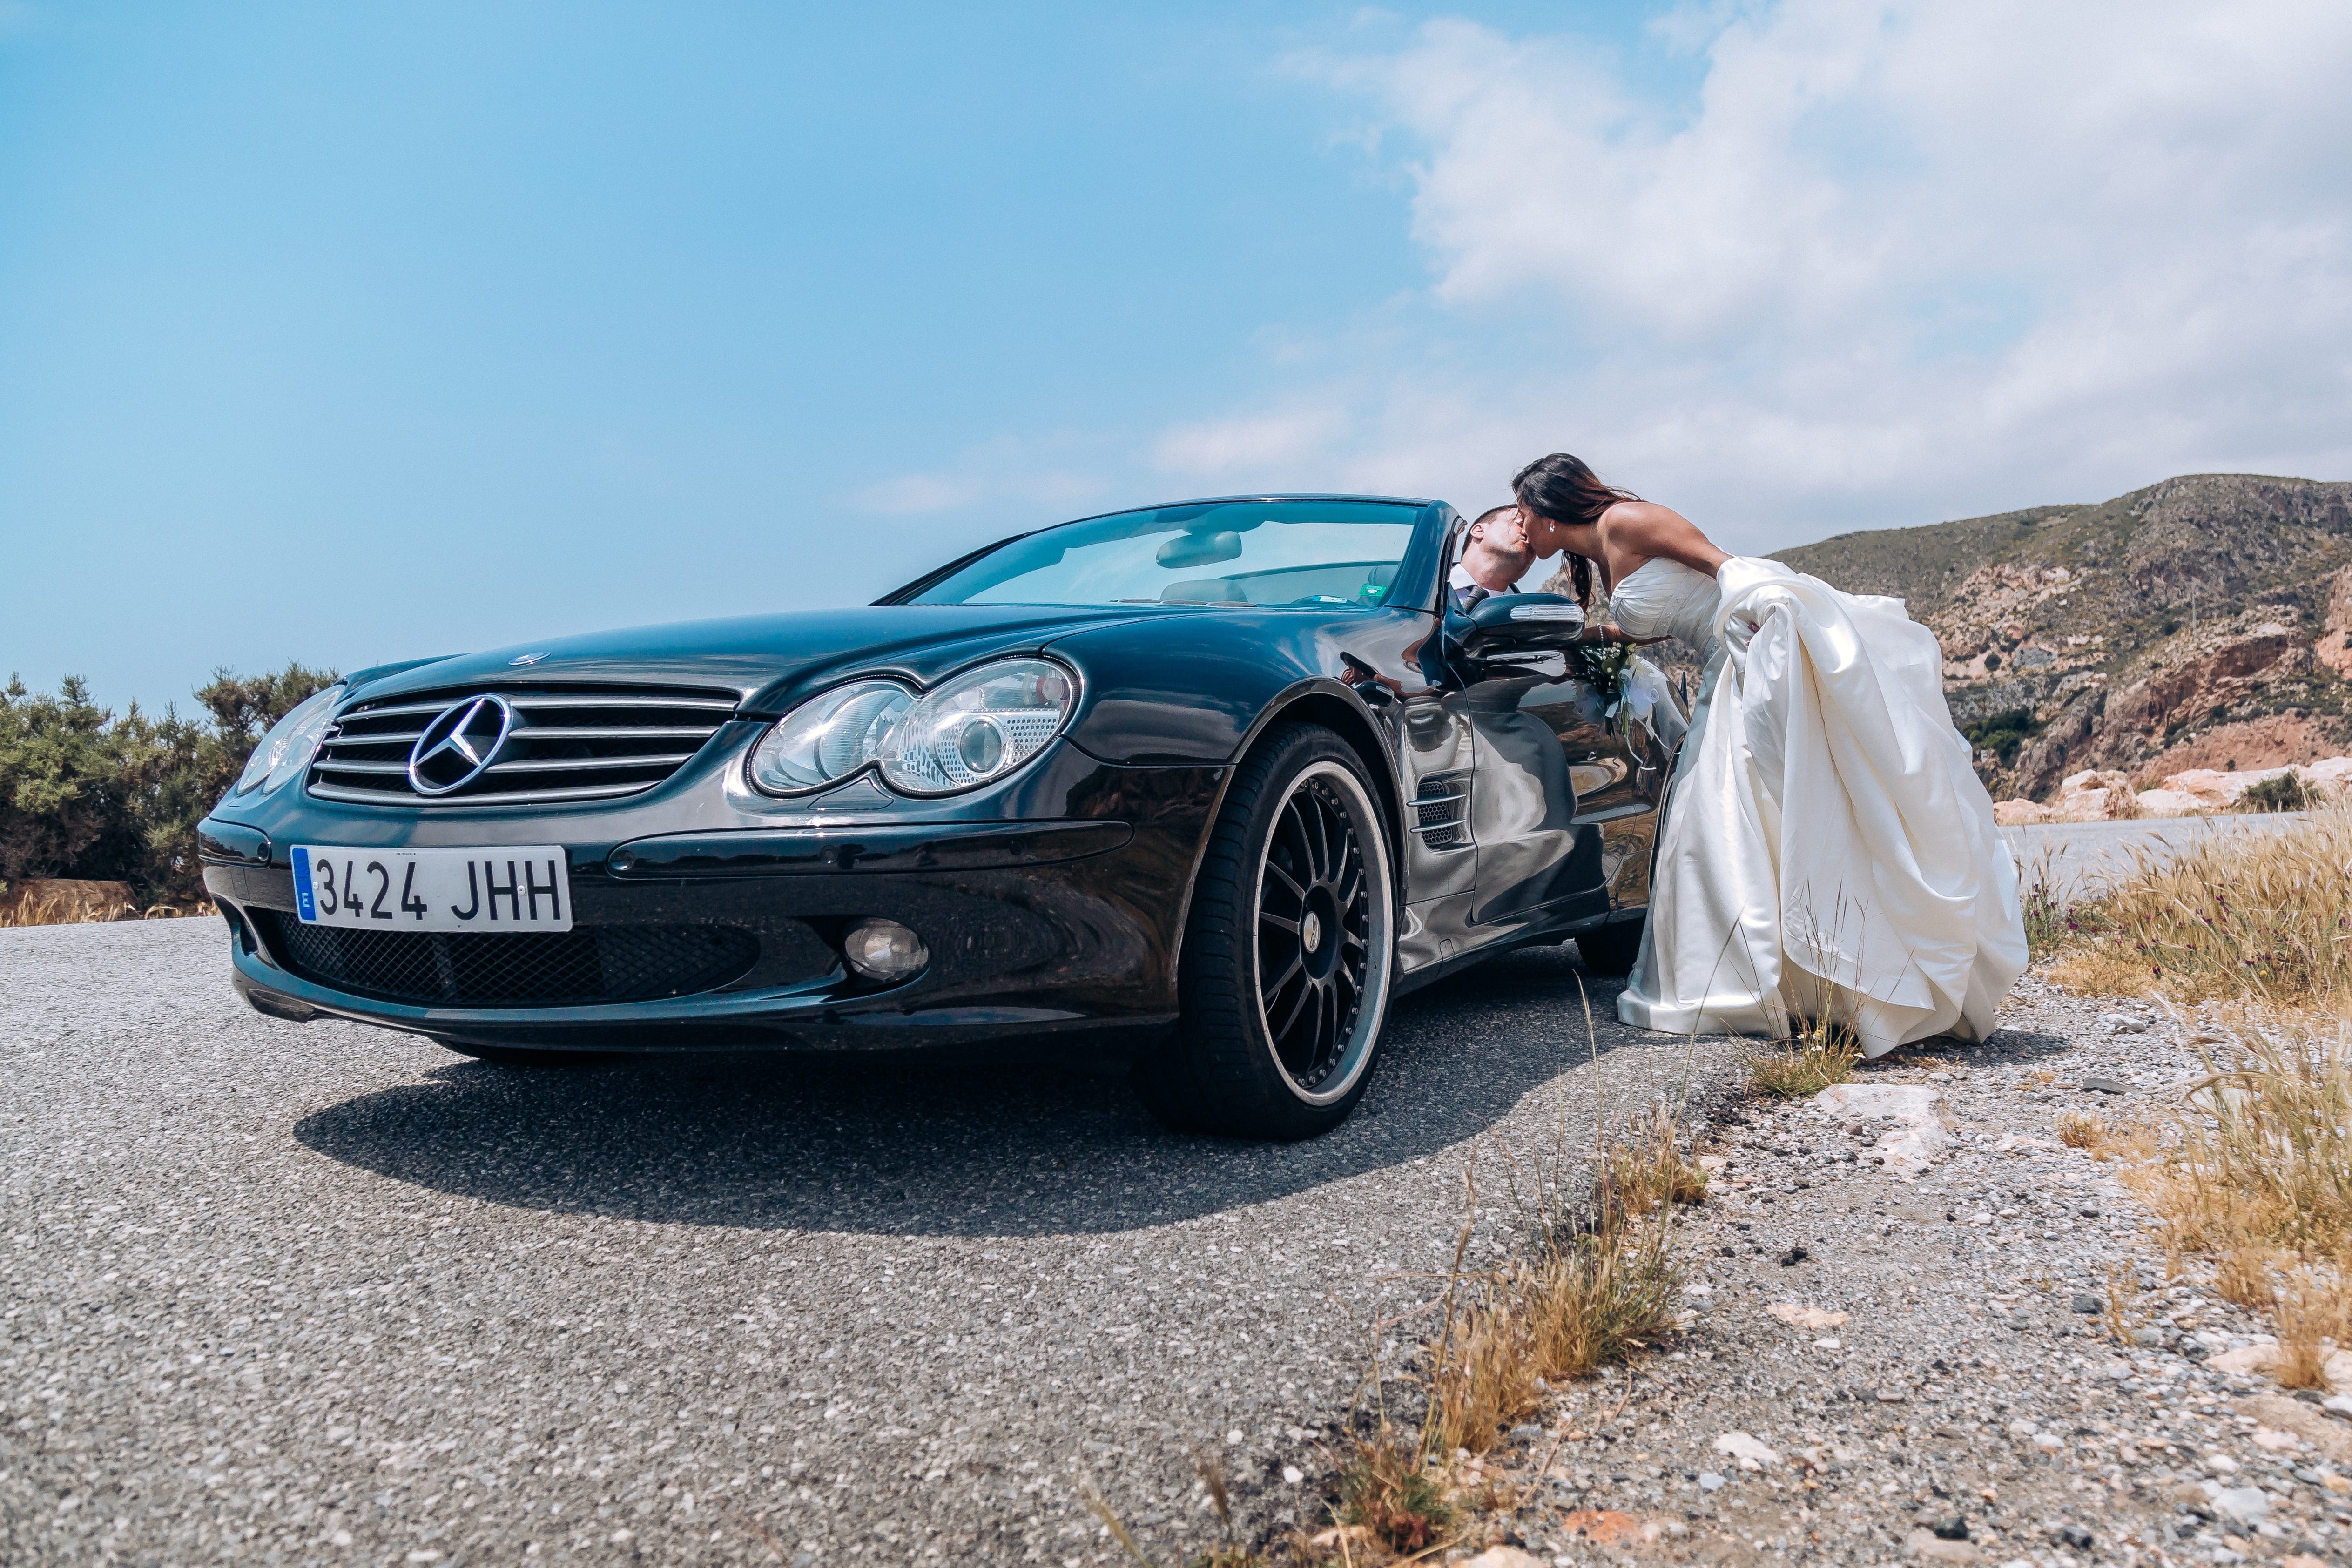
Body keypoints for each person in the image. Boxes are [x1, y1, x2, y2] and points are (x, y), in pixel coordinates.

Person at [1508, 451, 2026, 1057]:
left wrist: (1757, 614)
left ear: (1544, 507)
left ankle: (1765, 981)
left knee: (1715, 825)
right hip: (1712, 672)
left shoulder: (1625, 520)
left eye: (1520, 511)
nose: (1518, 525)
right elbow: (1657, 619)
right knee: (1717, 827)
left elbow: (1723, 566)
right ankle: (1775, 982)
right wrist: (1586, 637)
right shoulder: (1598, 550)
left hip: (1737, 662)